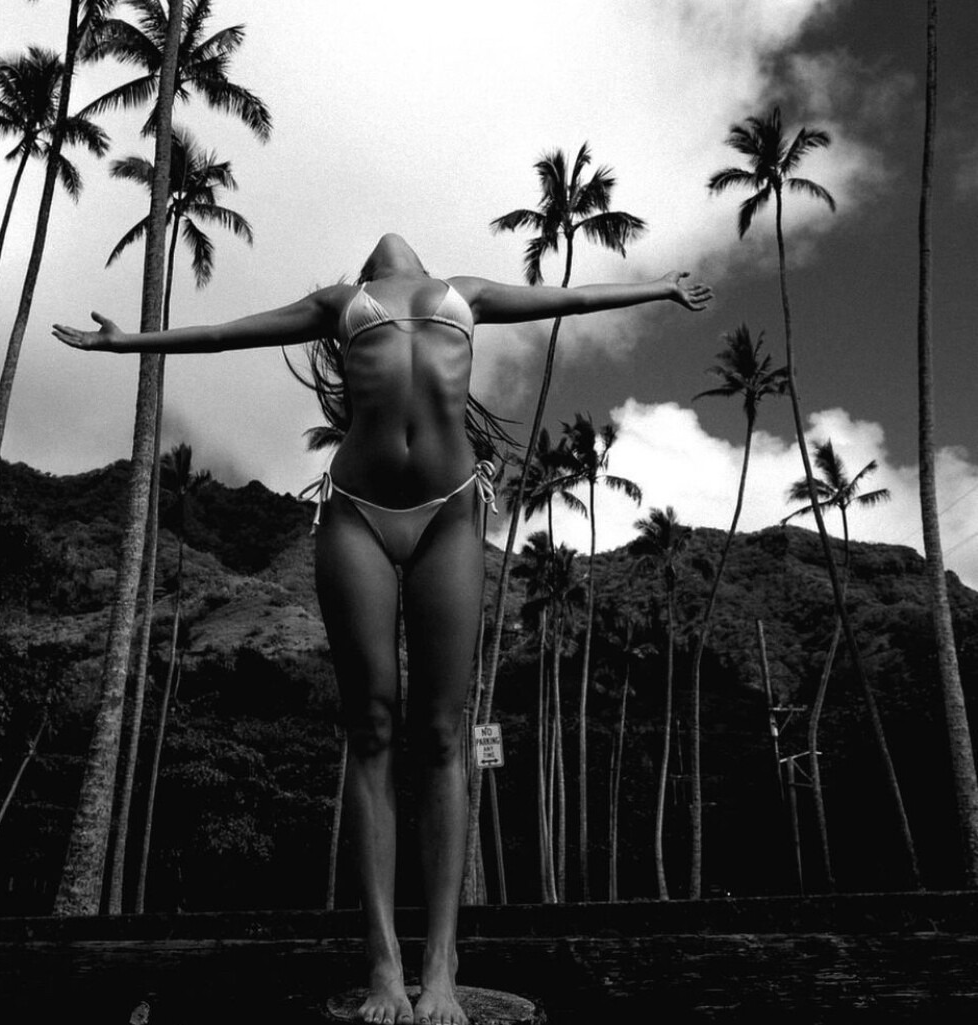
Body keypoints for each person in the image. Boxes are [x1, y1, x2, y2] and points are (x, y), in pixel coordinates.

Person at [53, 232, 712, 1025]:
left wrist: (657, 287)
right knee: (369, 727)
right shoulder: (341, 302)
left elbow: (570, 298)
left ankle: (441, 962)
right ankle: (382, 962)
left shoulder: (468, 291)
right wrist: (128, 341)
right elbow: (226, 333)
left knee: (440, 733)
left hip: (450, 511)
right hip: (356, 513)